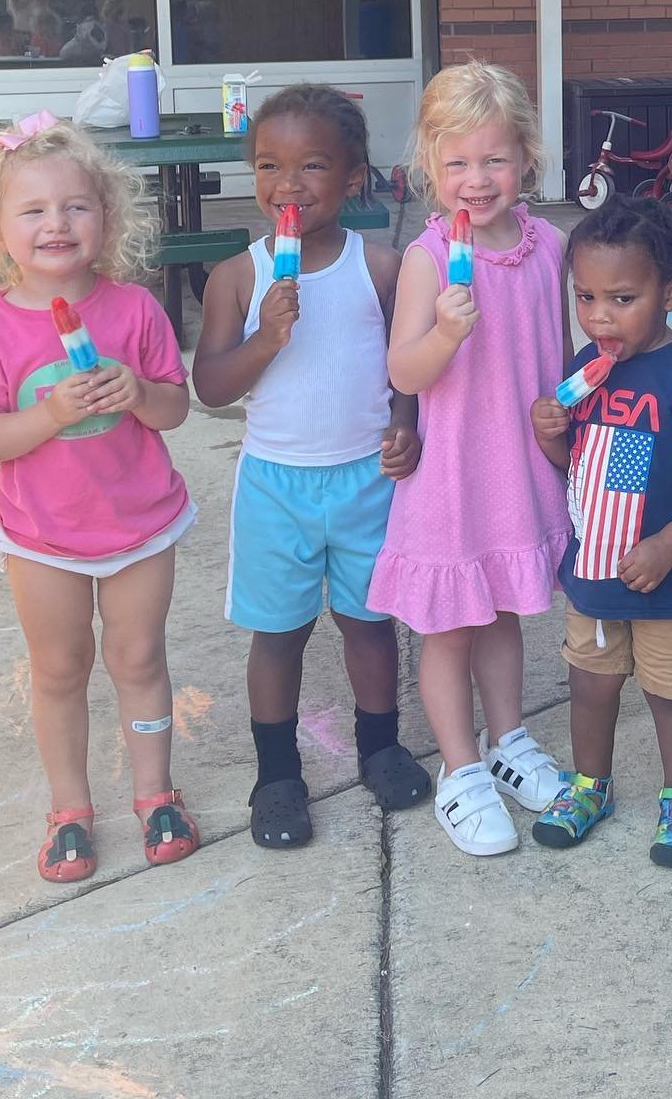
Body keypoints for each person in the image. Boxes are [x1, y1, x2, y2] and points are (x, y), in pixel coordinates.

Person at [193, 85, 429, 850]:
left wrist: (403, 428)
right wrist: (264, 339)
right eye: (269, 165)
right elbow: (212, 385)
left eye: (312, 166)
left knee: (367, 623)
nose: (287, 185)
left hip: (364, 477)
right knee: (279, 633)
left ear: (355, 176)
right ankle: (277, 775)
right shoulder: (237, 275)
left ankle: (380, 745)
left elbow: (404, 374)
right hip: (275, 486)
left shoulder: (382, 268)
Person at [0, 113, 198, 881]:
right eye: (32, 210)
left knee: (139, 657)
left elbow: (175, 408)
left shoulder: (134, 309)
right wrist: (48, 416)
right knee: (59, 668)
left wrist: (138, 391)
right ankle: (69, 808)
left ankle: (153, 791)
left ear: (107, 216)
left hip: (138, 522)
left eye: (75, 205)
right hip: (41, 535)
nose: (56, 224)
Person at [369, 62, 571, 858]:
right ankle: (460, 770)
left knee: (506, 611)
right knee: (451, 625)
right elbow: (403, 373)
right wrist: (447, 333)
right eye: (456, 164)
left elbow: (554, 349)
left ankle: (510, 741)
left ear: (526, 159)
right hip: (453, 474)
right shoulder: (426, 257)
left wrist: (566, 412)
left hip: (520, 465)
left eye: (494, 160)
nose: (476, 180)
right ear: (429, 164)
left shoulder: (546, 242)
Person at [530, 194, 672, 867]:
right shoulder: (582, 372)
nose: (600, 315)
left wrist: (668, 546)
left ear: (671, 292)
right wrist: (550, 440)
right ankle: (589, 785)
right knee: (592, 687)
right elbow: (584, 470)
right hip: (595, 571)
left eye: (622, 298)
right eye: (586, 296)